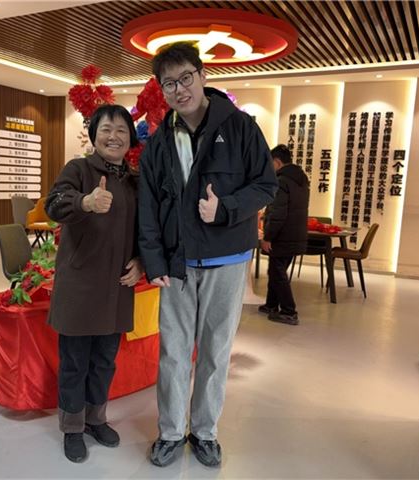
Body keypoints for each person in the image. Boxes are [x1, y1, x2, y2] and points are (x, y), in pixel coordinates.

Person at [138, 42, 278, 468]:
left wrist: (226, 208)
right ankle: (170, 432)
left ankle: (204, 432)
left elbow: (266, 185)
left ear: (202, 76)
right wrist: (153, 261)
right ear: (161, 90)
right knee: (174, 352)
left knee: (216, 351)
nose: (179, 89)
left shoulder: (240, 127)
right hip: (177, 264)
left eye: (185, 78)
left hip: (227, 259)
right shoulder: (160, 142)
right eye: (168, 84)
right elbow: (148, 206)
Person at [45, 104, 143, 463]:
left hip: (117, 286)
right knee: (75, 361)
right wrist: (85, 201)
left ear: (130, 138)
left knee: (104, 360)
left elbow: (144, 229)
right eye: (106, 129)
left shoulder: (135, 181)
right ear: (94, 135)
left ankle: (96, 419)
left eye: (121, 130)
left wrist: (141, 261)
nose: (113, 136)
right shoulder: (78, 169)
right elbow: (53, 204)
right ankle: (72, 427)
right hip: (81, 284)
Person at [259, 144, 309, 325]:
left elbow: (278, 213)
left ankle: (289, 311)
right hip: (295, 234)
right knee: (276, 270)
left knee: (277, 272)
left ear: (277, 162)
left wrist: (268, 237)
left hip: (282, 235)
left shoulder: (281, 181)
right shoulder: (300, 180)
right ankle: (271, 305)